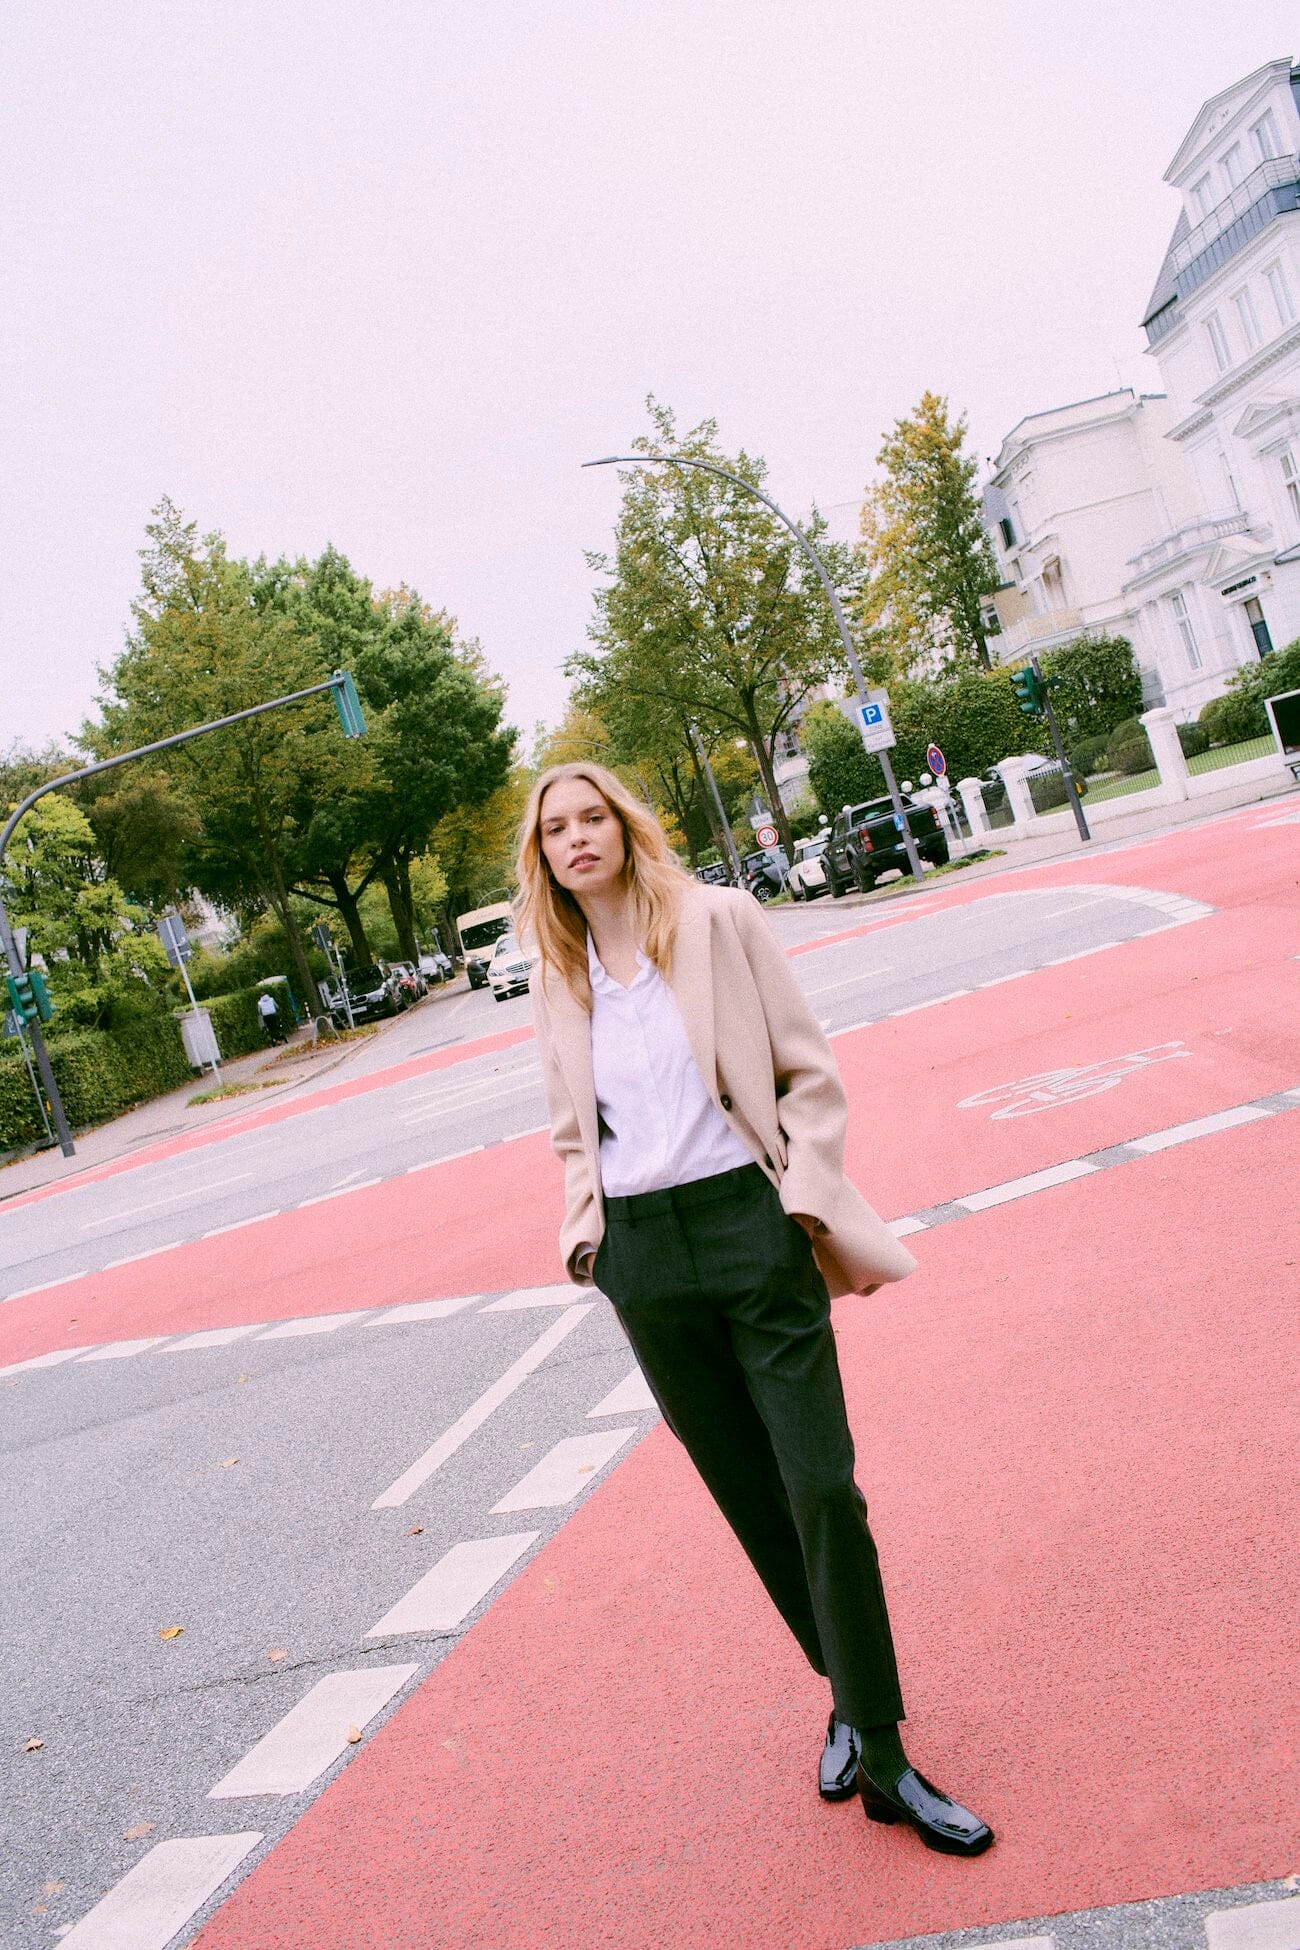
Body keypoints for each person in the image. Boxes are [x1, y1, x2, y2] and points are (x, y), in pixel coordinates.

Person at [518, 762, 993, 1859]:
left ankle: (883, 1752)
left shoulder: (720, 921)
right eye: (557, 829)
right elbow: (565, 1122)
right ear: (542, 857)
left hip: (749, 1225)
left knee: (821, 1485)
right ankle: (842, 1688)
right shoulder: (557, 970)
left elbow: (808, 1074)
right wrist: (587, 1234)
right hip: (642, 1254)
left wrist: (802, 1196)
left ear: (626, 830)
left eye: (593, 817)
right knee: (749, 1496)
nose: (578, 837)